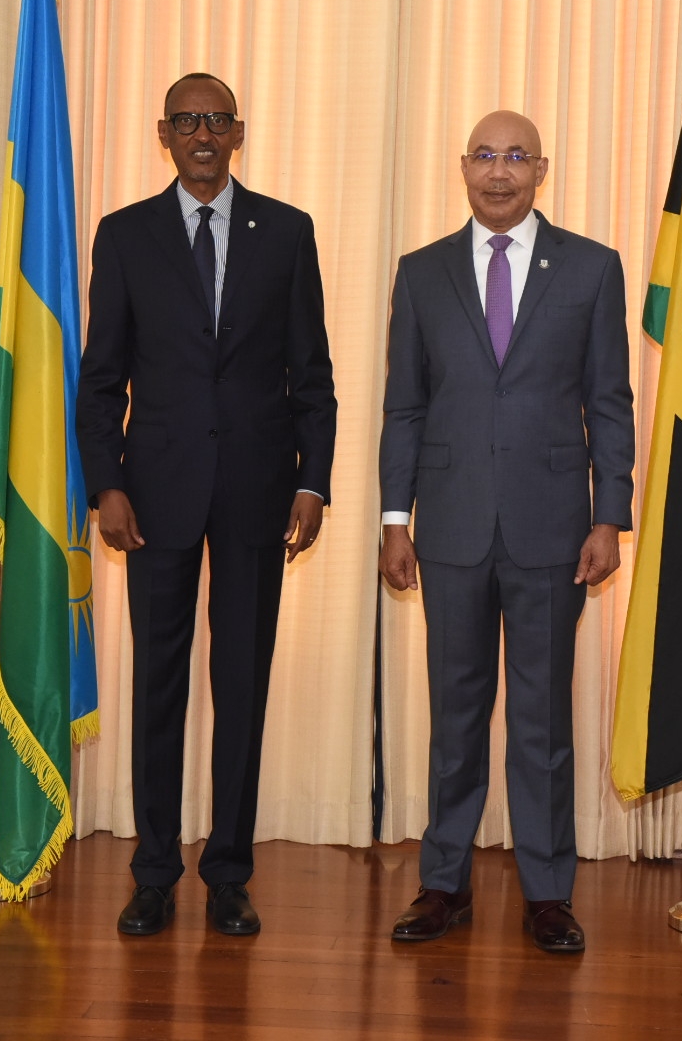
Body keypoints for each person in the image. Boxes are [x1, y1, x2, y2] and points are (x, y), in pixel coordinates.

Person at [76, 72, 336, 938]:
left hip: (260, 492)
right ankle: (154, 872)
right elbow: (101, 379)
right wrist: (107, 485)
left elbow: (314, 376)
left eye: (216, 120)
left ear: (237, 132)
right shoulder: (126, 235)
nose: (201, 134)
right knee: (158, 683)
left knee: (242, 684)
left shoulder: (287, 232)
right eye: (186, 120)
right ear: (164, 133)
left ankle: (229, 872)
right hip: (153, 496)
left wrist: (312, 482)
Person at [377, 111, 634, 953]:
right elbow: (405, 407)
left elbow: (609, 403)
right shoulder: (421, 273)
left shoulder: (591, 268)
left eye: (516, 157)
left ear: (541, 171)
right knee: (455, 717)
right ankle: (443, 884)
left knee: (541, 723)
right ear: (463, 167)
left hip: (554, 531)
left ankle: (548, 893)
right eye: (485, 156)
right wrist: (394, 519)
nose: (499, 171)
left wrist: (609, 516)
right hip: (448, 529)